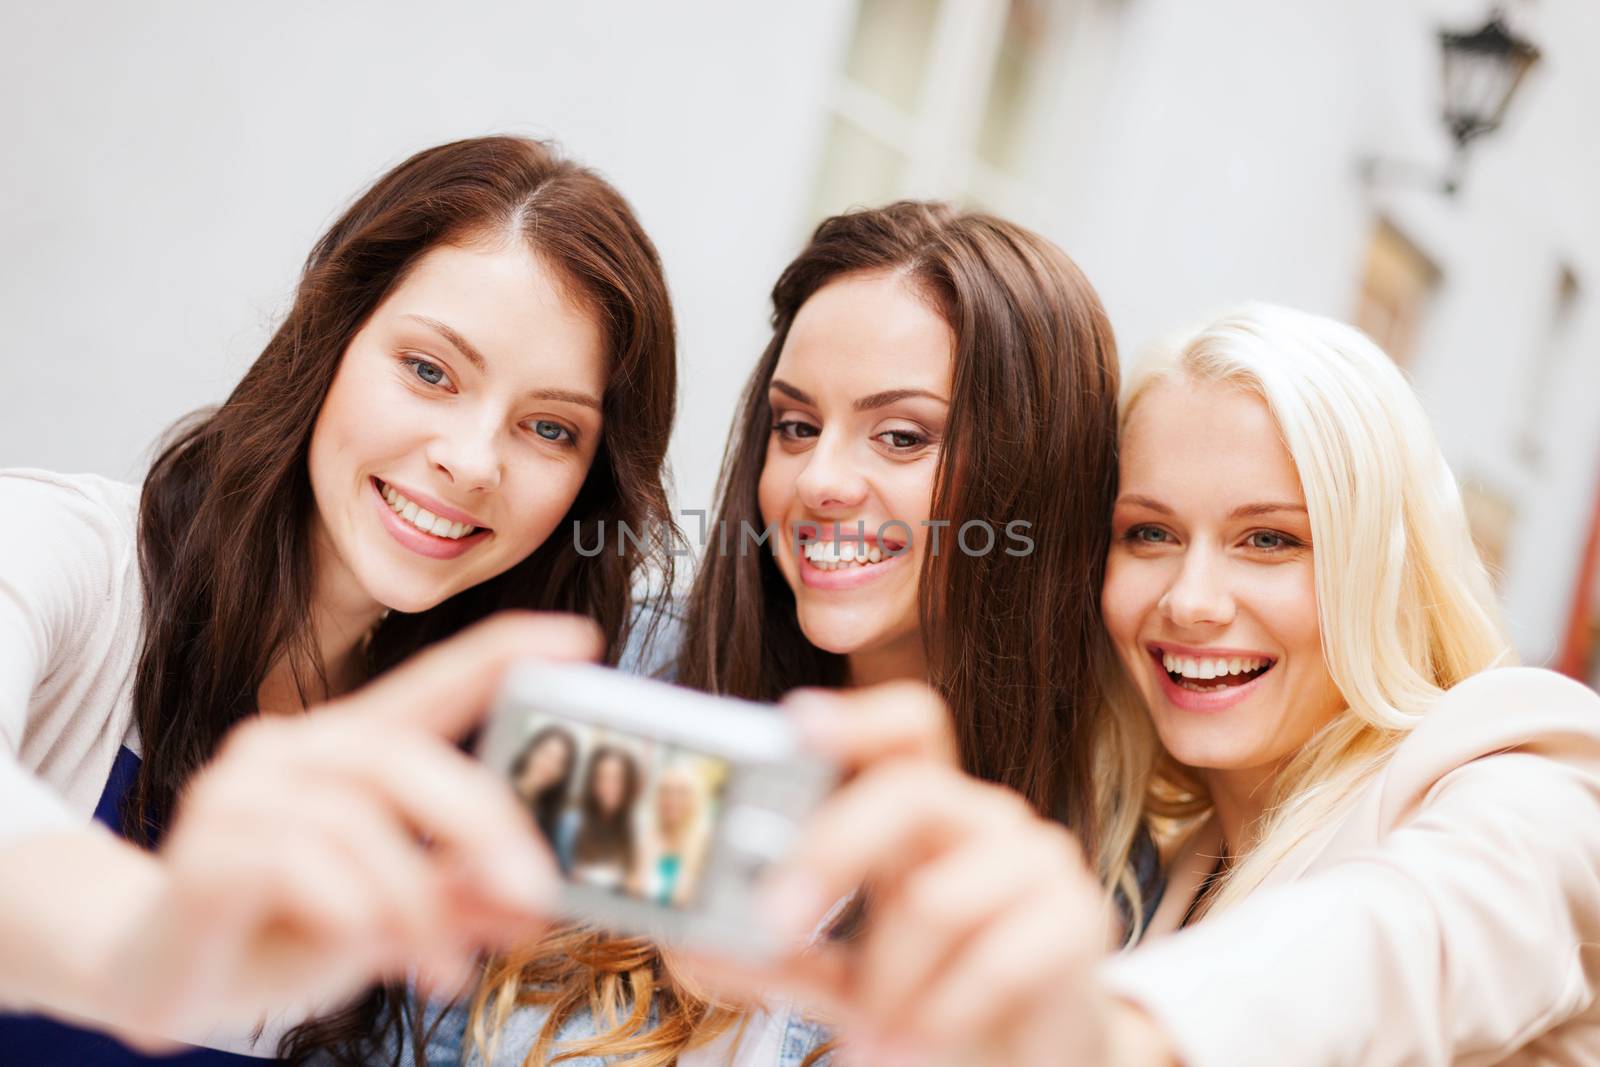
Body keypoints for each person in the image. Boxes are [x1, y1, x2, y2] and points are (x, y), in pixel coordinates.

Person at [750, 304, 1600, 1067]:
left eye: (1268, 540)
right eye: (1150, 532)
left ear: (1382, 566)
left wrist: (1114, 1033)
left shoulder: (1515, 764)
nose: (1189, 602)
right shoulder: (1160, 872)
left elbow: (1407, 937)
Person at [0, 134, 680, 1065]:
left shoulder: (519, 741)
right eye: (431, 370)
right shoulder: (66, 555)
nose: (473, 461)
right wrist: (146, 936)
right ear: (330, 338)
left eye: (549, 427)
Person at [456, 201, 1144, 1067]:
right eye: (796, 425)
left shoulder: (1094, 882)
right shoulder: (639, 681)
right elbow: (447, 1014)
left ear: (1032, 475)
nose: (819, 480)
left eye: (901, 436)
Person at [556, 745, 642, 892]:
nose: (608, 786)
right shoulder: (570, 824)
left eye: (617, 779)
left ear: (629, 784)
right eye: (601, 778)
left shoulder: (635, 830)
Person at [640, 765, 713, 907]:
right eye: (666, 791)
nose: (672, 799)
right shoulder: (642, 838)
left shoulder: (705, 848)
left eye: (682, 793)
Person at [511, 725, 579, 851]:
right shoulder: (497, 796)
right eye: (546, 754)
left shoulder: (550, 820)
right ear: (531, 751)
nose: (549, 766)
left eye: (559, 763)